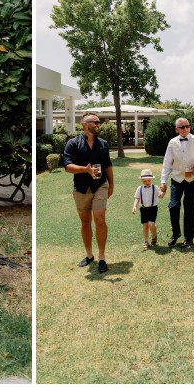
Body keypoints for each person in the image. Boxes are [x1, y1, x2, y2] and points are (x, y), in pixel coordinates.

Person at [62, 111, 113, 272]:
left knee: (99, 218)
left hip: (100, 185)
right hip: (82, 187)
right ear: (85, 124)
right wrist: (85, 169)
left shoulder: (103, 143)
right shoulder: (73, 143)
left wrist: (111, 184)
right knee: (85, 221)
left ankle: (102, 256)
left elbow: (108, 165)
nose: (98, 125)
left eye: (99, 122)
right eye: (95, 122)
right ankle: (89, 255)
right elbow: (67, 166)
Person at [159, 118, 194, 249]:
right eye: (182, 127)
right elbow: (167, 162)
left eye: (187, 126)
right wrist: (163, 180)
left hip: (192, 179)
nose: (185, 129)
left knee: (189, 207)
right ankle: (175, 233)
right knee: (173, 206)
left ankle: (188, 238)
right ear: (177, 129)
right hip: (176, 179)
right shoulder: (172, 142)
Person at [132, 166, 160, 248]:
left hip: (153, 208)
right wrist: (134, 206)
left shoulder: (155, 187)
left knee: (151, 224)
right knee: (145, 225)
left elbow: (160, 195)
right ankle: (145, 241)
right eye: (145, 181)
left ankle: (154, 235)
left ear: (152, 180)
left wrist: (164, 191)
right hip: (143, 209)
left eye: (149, 181)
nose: (147, 182)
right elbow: (137, 198)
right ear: (141, 181)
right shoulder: (139, 188)